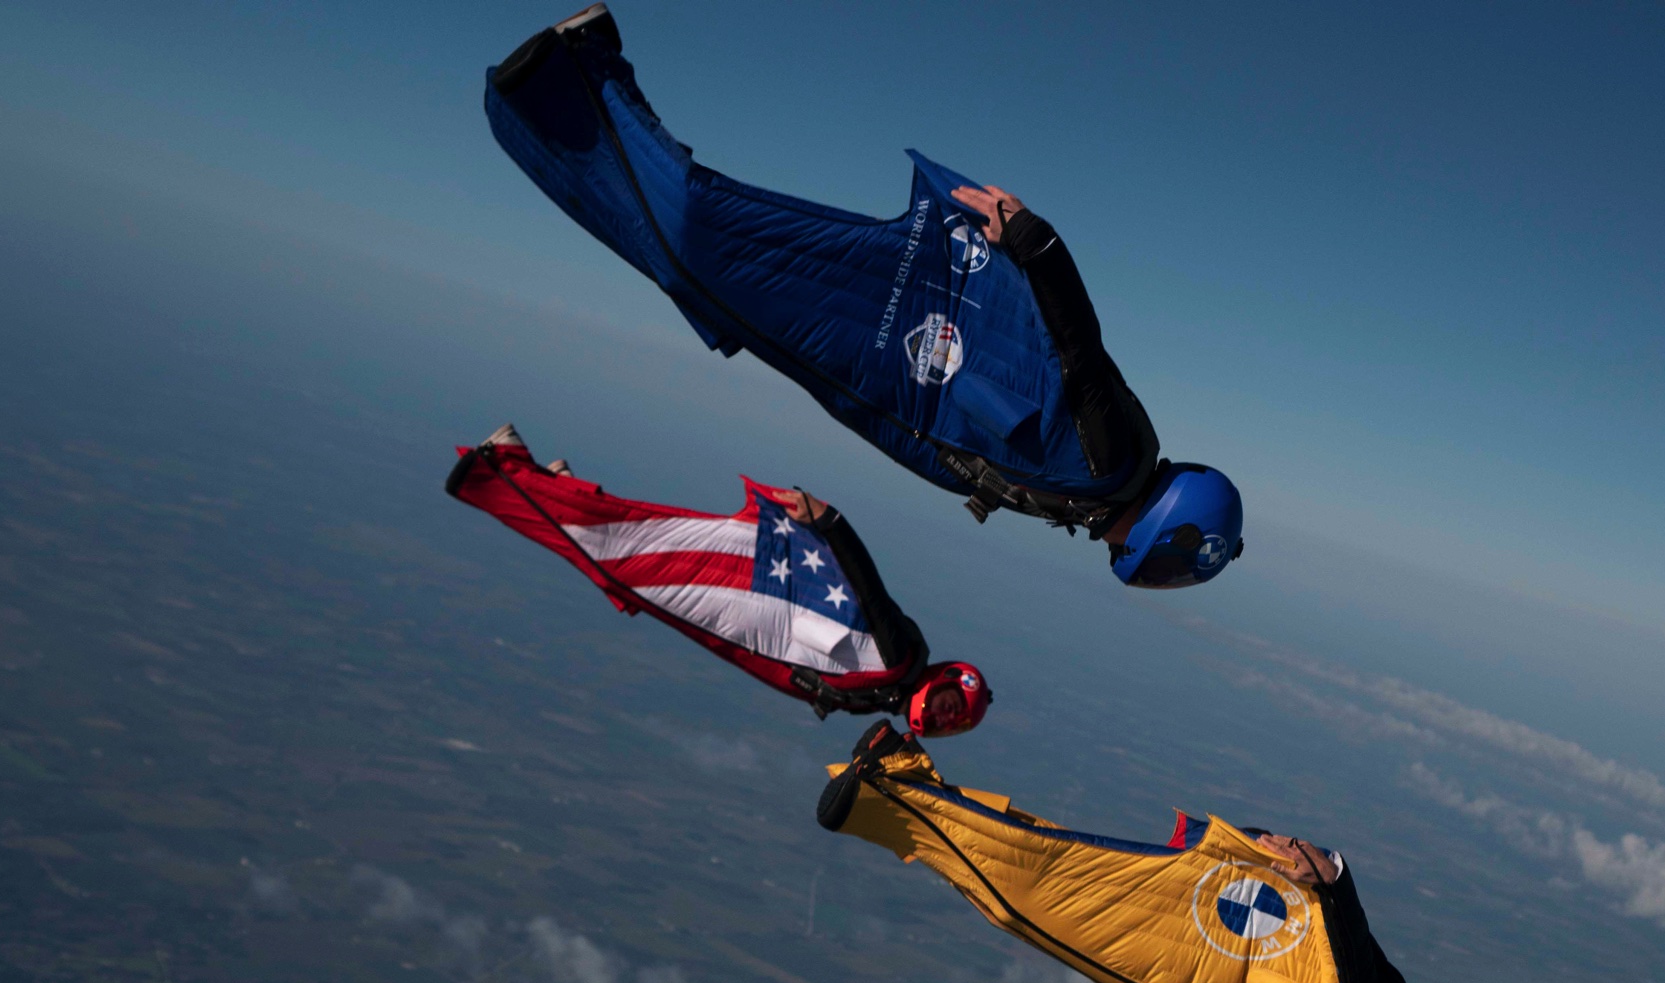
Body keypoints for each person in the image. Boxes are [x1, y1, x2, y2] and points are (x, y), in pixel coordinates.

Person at [484, 5, 1244, 588]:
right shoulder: (1112, 460)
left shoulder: (1090, 495)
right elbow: (1078, 347)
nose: (1154, 575)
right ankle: (586, 64)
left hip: (871, 373)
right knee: (703, 248)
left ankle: (550, 110)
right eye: (1169, 567)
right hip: (883, 322)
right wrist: (1030, 237)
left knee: (704, 288)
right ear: (1171, 526)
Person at [816, 721, 1484, 983]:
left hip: (1185, 953)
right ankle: (885, 784)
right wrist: (1334, 881)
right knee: (1026, 895)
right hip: (1176, 955)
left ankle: (901, 782)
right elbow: (1346, 949)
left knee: (1047, 864)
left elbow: (1350, 957)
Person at [446, 425, 991, 734]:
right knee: (626, 565)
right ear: (943, 678)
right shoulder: (897, 656)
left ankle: (552, 485)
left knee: (628, 576)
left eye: (953, 721)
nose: (947, 716)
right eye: (952, 703)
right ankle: (504, 468)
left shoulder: (886, 694)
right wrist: (829, 520)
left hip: (748, 632)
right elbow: (868, 587)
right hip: (748, 592)